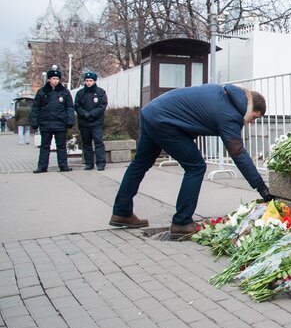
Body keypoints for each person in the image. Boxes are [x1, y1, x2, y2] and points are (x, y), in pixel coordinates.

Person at [110, 83, 273, 237]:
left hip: (151, 112)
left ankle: (121, 212)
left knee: (139, 164)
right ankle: (182, 222)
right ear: (250, 107)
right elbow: (238, 154)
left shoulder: (224, 94)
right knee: (196, 166)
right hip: (164, 122)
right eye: (254, 117)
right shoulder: (230, 114)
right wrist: (261, 188)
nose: (252, 122)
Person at [31, 66, 75, 173]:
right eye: (53, 78)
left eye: (57, 79)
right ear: (49, 79)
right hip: (45, 123)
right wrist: (34, 122)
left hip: (60, 123)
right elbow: (35, 107)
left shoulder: (64, 92)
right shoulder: (42, 92)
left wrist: (70, 121)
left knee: (61, 146)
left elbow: (69, 107)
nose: (55, 81)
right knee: (45, 146)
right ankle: (42, 166)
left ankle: (63, 166)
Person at [74, 71, 108, 170]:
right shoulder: (80, 93)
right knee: (86, 143)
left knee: (98, 143)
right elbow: (77, 106)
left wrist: (92, 114)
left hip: (96, 122)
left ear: (94, 81)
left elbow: (102, 105)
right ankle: (89, 163)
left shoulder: (100, 92)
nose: (88, 82)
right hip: (84, 122)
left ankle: (101, 163)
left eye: (90, 81)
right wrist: (84, 114)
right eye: (87, 80)